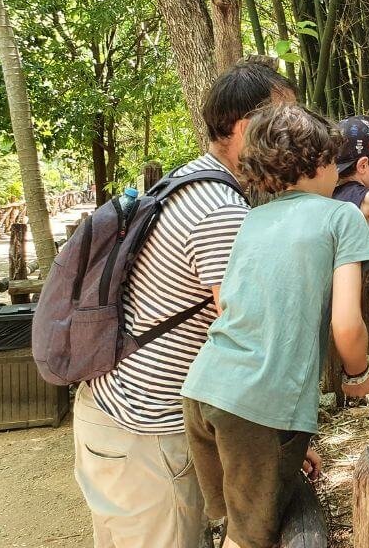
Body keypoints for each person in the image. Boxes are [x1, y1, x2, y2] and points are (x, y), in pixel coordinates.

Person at [72, 56, 296, 548]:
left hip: (110, 410)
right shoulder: (220, 211)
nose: (293, 136)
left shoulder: (188, 180)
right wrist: (278, 440)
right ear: (243, 128)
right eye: (283, 122)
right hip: (146, 431)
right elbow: (241, 342)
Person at [181, 104, 369, 548]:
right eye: (335, 160)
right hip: (257, 407)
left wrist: (284, 439)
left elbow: (235, 306)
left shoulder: (252, 219)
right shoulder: (341, 217)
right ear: (322, 161)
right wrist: (357, 377)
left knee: (237, 526)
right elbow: (347, 325)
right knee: (249, 540)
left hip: (204, 393)